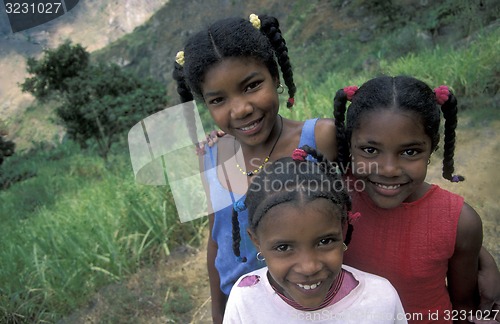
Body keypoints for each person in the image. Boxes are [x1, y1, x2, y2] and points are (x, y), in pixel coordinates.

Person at [172, 14, 336, 323]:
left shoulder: (320, 138)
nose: (241, 109)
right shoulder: (212, 155)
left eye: (251, 86)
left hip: (313, 302)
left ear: (275, 77)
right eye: (218, 99)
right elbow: (216, 238)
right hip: (243, 310)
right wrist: (219, 313)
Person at [333, 75, 489, 323]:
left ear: (432, 147)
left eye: (410, 152)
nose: (389, 169)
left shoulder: (461, 222)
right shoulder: (329, 200)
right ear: (348, 143)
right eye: (370, 150)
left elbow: (464, 310)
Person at [223, 147, 408, 323]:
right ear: (256, 242)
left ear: (342, 230)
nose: (309, 268)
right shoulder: (246, 299)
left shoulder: (380, 299)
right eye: (284, 247)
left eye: (325, 241)